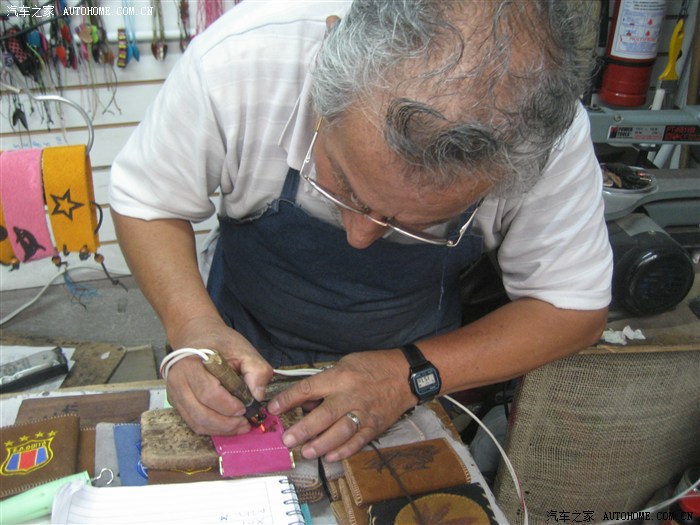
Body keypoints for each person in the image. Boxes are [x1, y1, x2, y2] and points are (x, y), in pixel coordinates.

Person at [109, 0, 612, 464]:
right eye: (345, 188)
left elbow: (573, 307)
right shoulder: (243, 60)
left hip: (412, 375)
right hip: (245, 344)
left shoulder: (544, 138)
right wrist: (192, 326)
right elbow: (149, 200)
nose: (359, 238)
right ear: (323, 82)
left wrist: (409, 375)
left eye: (413, 225)